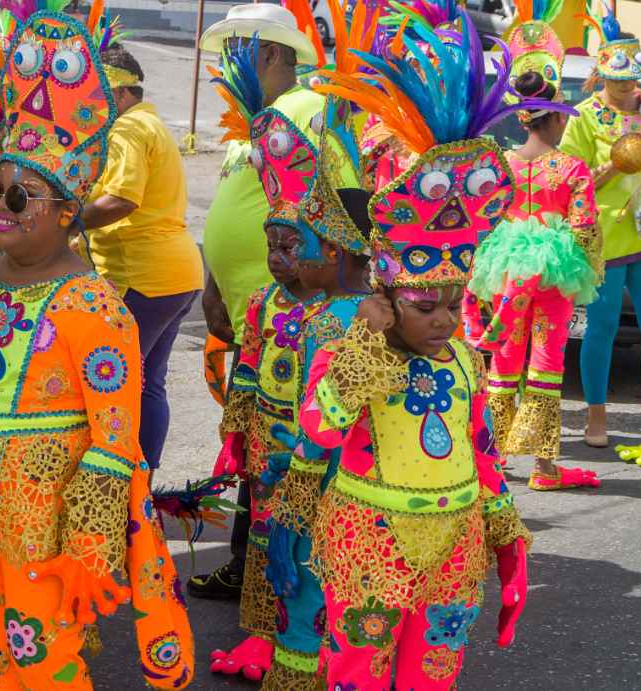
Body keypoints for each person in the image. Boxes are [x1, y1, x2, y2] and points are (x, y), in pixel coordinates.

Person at [0, 5, 194, 689]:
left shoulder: (93, 306)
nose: (1, 206)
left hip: (44, 528)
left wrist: (89, 540)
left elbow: (115, 443)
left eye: (21, 196)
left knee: (44, 661)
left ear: (66, 209)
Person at [307, 15, 531, 689]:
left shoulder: (465, 358)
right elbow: (321, 427)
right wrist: (364, 342)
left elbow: (481, 447)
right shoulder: (351, 345)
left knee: (434, 675)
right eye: (426, 306)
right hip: (369, 540)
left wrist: (506, 536)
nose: (445, 321)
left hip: (453, 550)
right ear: (386, 293)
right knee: (358, 673)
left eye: (456, 303)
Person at [189, 0, 333, 604]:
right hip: (252, 310)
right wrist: (214, 288)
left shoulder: (308, 109)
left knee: (281, 443)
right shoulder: (257, 116)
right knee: (253, 437)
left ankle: (278, 579)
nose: (226, 63)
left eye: (235, 50)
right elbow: (231, 211)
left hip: (291, 314)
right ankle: (252, 567)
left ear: (269, 52)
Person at [463, 8, 602, 491]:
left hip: (504, 273)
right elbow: (584, 228)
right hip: (552, 277)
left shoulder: (500, 162)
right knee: (545, 367)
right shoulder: (571, 169)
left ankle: (491, 462)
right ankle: (544, 468)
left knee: (502, 366)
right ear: (558, 119)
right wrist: (584, 265)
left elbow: (481, 218)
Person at [79, 44, 204, 470]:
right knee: (149, 384)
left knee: (119, 385)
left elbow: (121, 199)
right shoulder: (151, 122)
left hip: (143, 277)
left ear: (118, 94)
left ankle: (126, 487)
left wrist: (66, 222)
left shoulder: (128, 129)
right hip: (176, 274)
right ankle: (141, 487)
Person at [560, 14, 641, 448]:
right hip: (604, 240)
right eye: (618, 80)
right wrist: (617, 164)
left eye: (633, 79)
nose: (626, 88)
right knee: (601, 330)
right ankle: (595, 415)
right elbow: (570, 181)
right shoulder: (584, 117)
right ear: (601, 75)